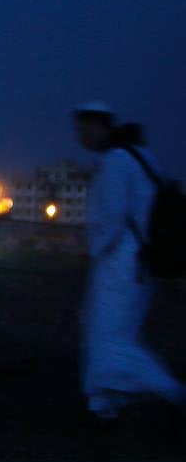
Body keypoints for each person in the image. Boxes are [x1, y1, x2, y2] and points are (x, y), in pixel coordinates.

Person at [73, 102, 185, 422]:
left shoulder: (115, 162)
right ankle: (104, 405)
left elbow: (111, 218)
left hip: (120, 265)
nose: (80, 136)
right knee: (113, 333)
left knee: (109, 338)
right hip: (135, 265)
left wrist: (92, 249)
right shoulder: (141, 157)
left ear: (98, 127)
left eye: (82, 129)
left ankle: (170, 389)